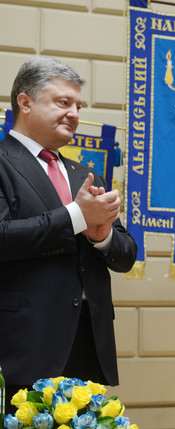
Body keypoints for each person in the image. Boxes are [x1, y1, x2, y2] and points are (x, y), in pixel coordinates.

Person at [0, 56, 138, 409]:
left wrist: (101, 235)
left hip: (87, 346)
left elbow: (124, 255)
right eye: (63, 102)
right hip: (21, 346)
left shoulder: (85, 175)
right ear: (25, 102)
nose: (74, 113)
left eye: (78, 105)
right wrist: (77, 216)